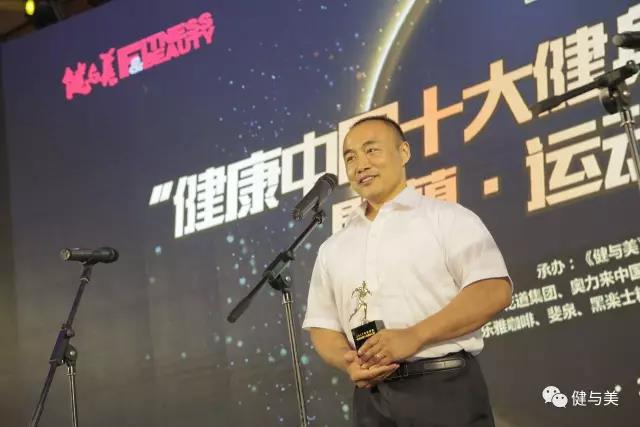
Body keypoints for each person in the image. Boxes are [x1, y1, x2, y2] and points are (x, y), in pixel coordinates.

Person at [302, 115, 512, 426]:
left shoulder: (447, 218)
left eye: (371, 150)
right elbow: (322, 325)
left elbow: (493, 290)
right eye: (350, 157)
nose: (360, 165)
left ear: (403, 153)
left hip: (443, 386)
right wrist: (348, 362)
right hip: (372, 399)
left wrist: (414, 336)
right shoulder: (333, 247)